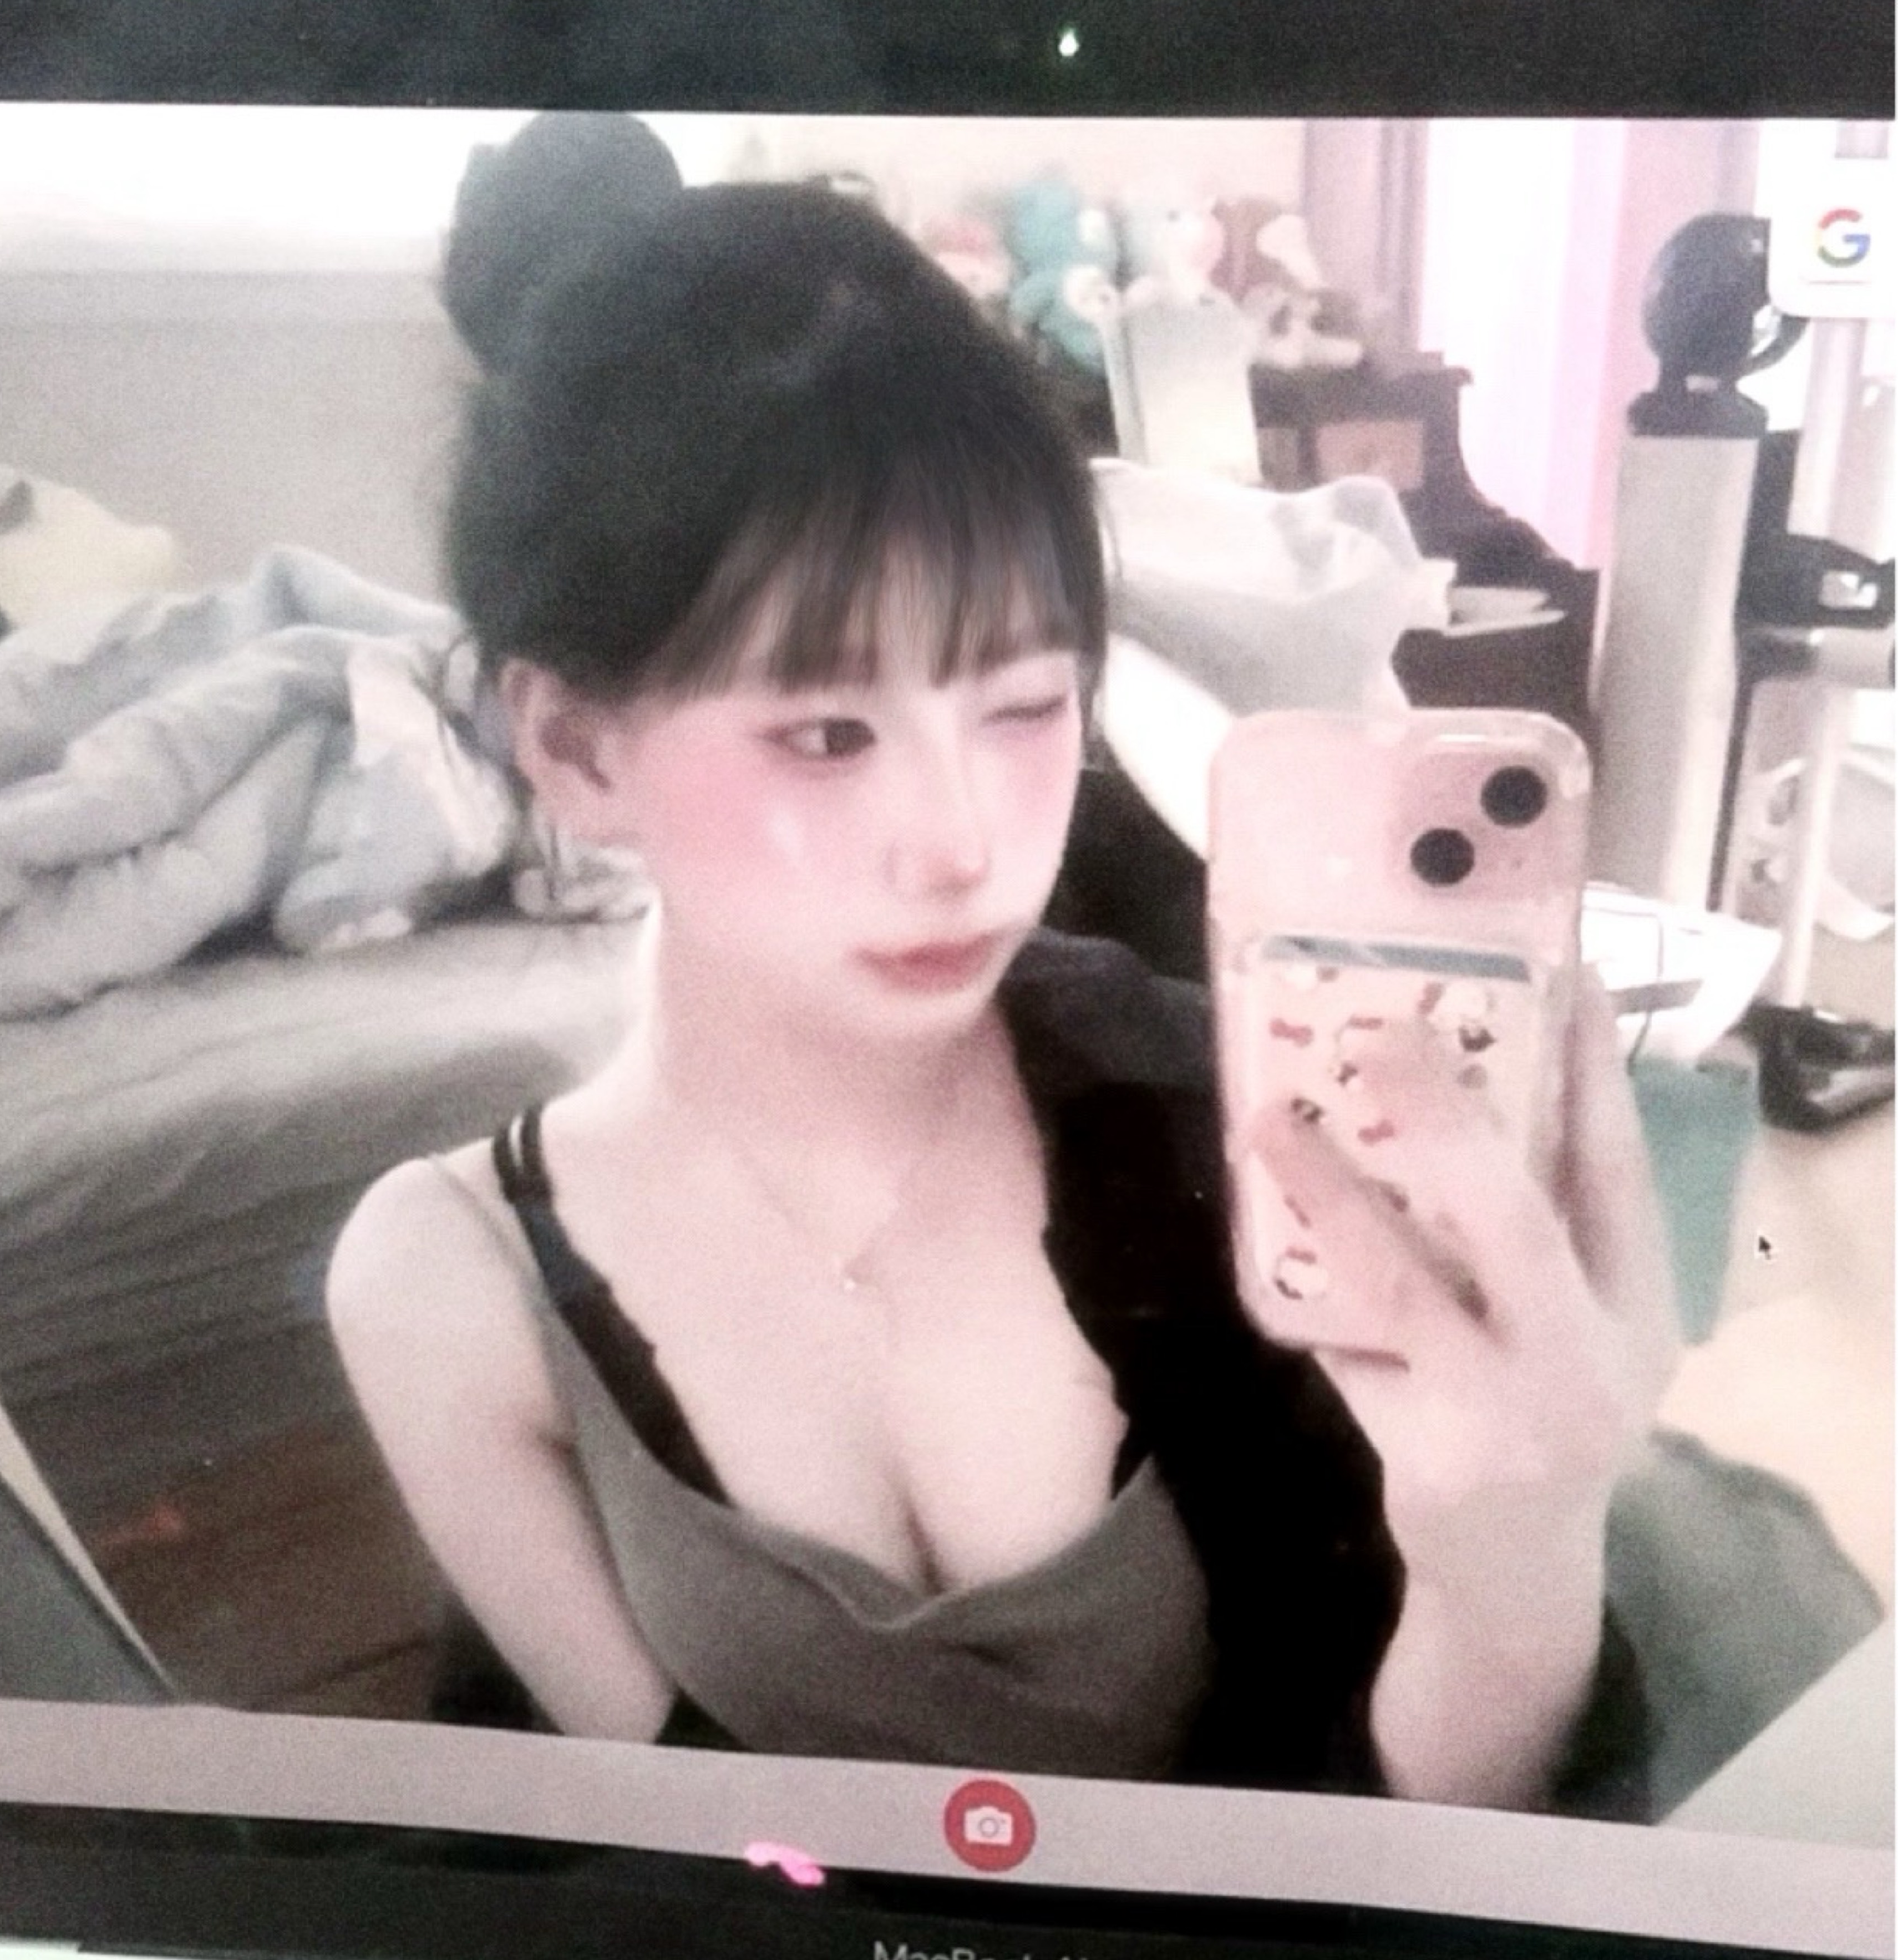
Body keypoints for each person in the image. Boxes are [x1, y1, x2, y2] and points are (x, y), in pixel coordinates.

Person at [327, 164, 1679, 1817]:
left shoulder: (1227, 1135)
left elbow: (1375, 1837)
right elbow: (694, 1854)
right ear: (575, 748)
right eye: (828, 733)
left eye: (1027, 707)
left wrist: (1514, 1568)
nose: (963, 845)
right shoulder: (444, 1285)